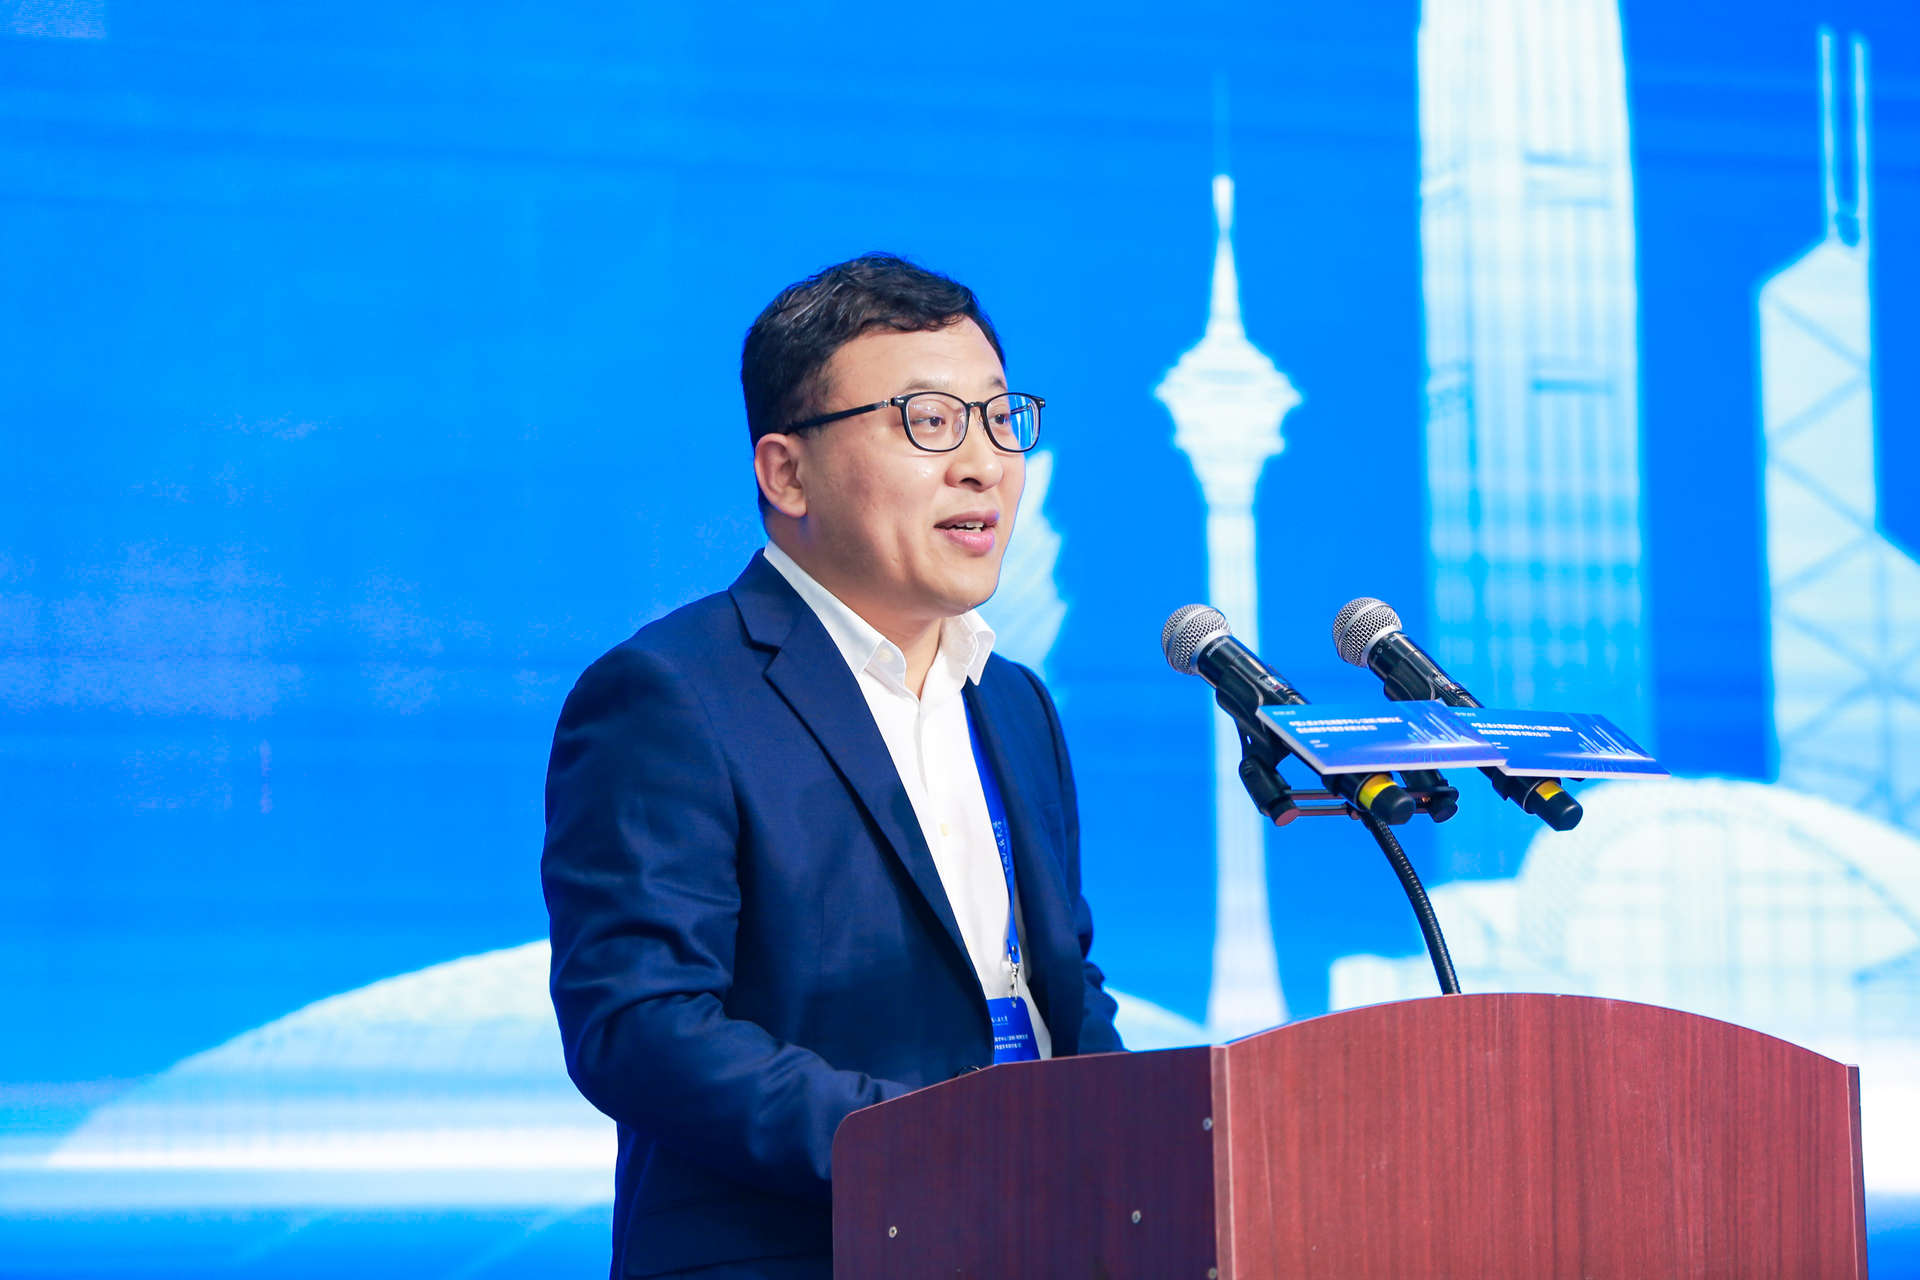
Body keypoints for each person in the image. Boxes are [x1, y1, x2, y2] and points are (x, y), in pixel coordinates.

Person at [541, 253, 1124, 1279]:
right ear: (787, 473)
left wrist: (1141, 1156)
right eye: (928, 422)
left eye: (1000, 418)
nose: (984, 463)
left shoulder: (1015, 702)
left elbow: (1060, 986)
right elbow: (641, 1027)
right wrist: (938, 1150)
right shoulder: (671, 695)